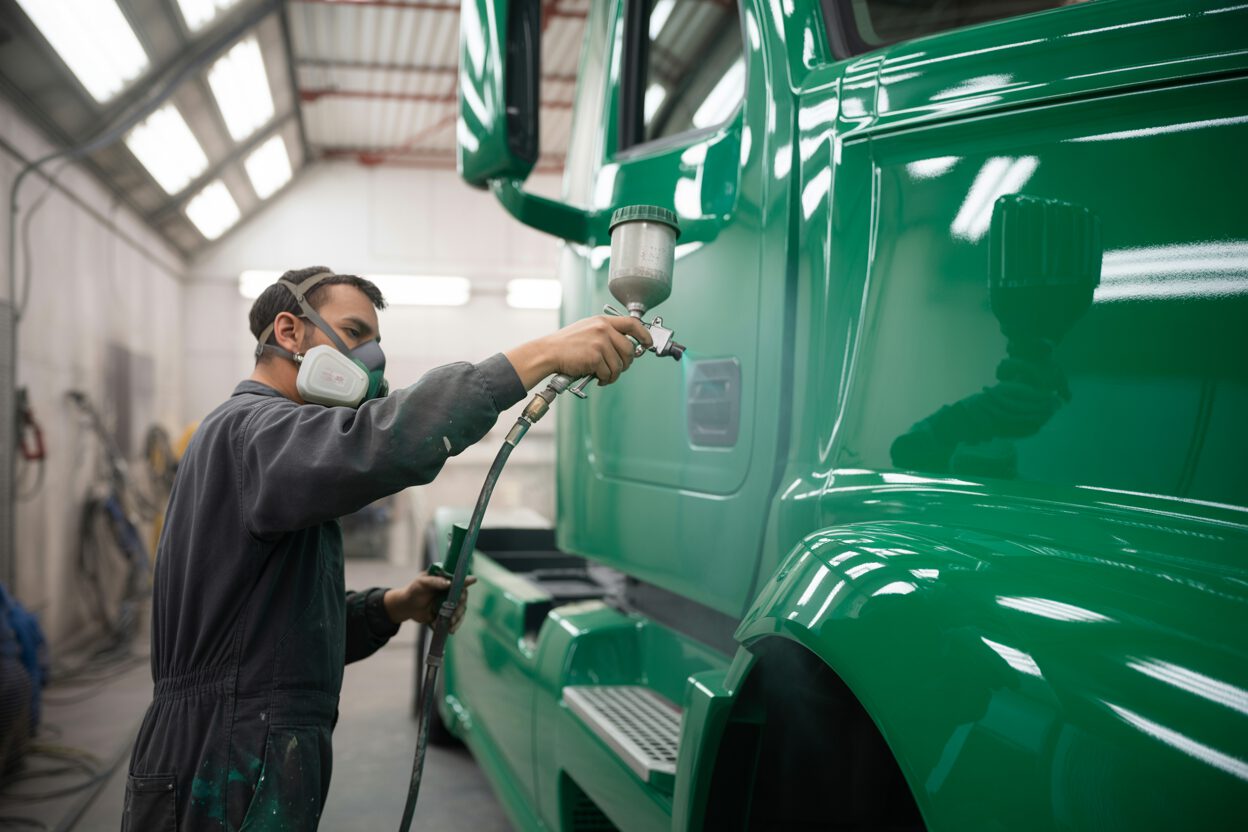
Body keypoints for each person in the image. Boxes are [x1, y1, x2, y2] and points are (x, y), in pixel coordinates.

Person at [121, 267, 651, 831]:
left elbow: (270, 648)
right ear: (289, 332)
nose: (370, 359)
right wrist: (540, 356)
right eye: (353, 334)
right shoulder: (253, 431)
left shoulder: (267, 448)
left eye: (375, 342)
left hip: (236, 743)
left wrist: (394, 605)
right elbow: (377, 443)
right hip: (222, 752)